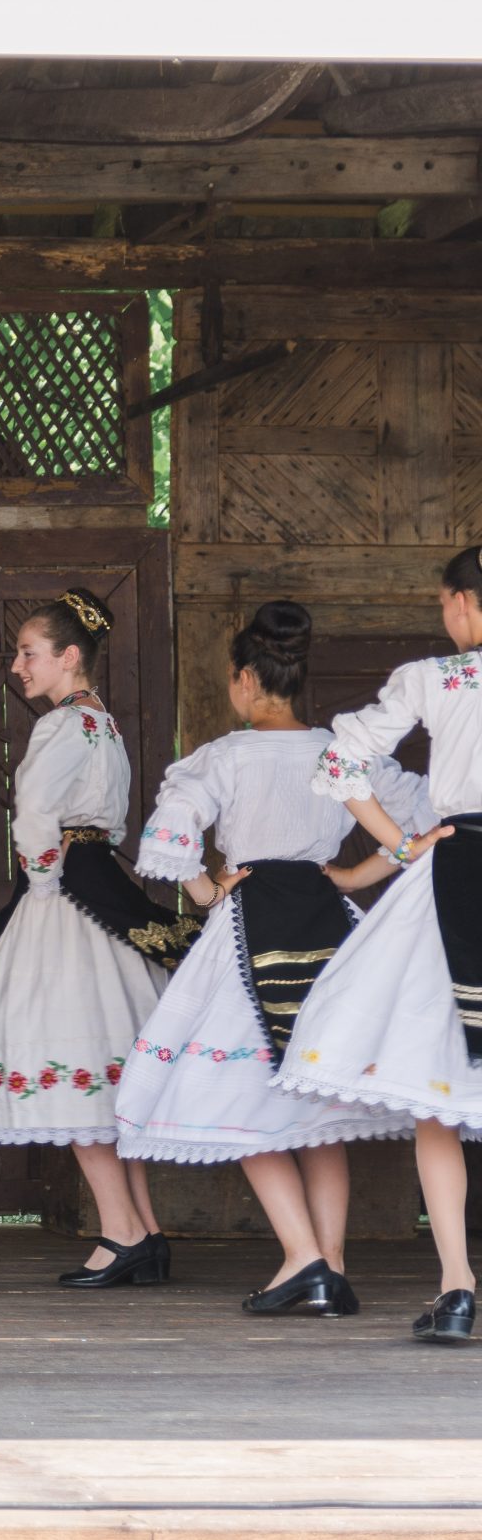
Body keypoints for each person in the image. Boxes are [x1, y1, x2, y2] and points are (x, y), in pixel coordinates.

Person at [114, 602, 431, 1318]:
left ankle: (304, 1257)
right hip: (330, 921)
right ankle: (331, 1266)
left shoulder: (226, 756)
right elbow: (420, 824)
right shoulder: (339, 750)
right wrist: (355, 876)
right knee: (320, 1109)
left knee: (238, 1101)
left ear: (248, 679)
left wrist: (204, 888)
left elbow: (168, 835)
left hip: (250, 917)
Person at [0, 590, 197, 1288]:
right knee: (108, 1071)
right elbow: (106, 827)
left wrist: (44, 889)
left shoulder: (60, 728)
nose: (17, 666)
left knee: (69, 1058)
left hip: (64, 899)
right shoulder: (102, 726)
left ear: (69, 657)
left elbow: (34, 817)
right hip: (100, 893)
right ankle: (144, 1229)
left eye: (29, 653)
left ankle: (120, 1232)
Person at [276, 545, 482, 1344]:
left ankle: (459, 1288)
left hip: (456, 865)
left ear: (462, 601)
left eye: (445, 604)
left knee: (440, 1093)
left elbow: (343, 756)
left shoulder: (435, 677)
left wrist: (401, 843)